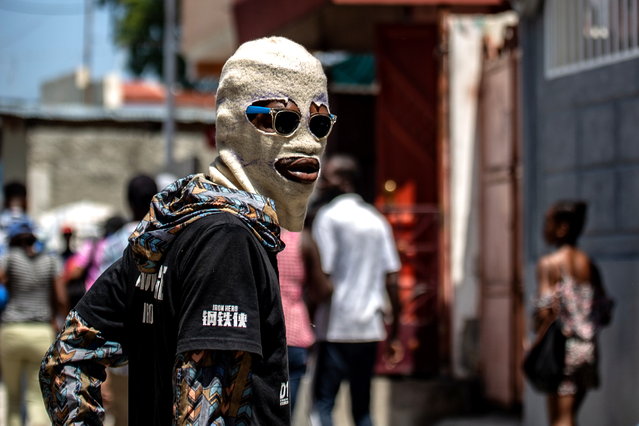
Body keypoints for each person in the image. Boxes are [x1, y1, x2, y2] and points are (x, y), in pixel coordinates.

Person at [40, 36, 334, 425]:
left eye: (319, 123)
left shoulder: (171, 226)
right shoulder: (228, 238)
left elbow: (66, 361)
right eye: (283, 120)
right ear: (234, 123)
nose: (308, 143)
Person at [311, 154, 403, 426]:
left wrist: (309, 322)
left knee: (323, 406)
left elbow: (322, 278)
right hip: (368, 327)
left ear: (343, 180)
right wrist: (395, 331)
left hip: (335, 326)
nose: (321, 184)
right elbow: (393, 279)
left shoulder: (328, 218)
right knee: (362, 408)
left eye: (326, 177)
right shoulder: (376, 220)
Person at [535, 200, 613, 426]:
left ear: (562, 227)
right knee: (571, 414)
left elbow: (545, 309)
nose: (545, 229)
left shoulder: (549, 264)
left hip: (560, 349)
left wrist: (534, 342)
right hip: (587, 347)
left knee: (559, 418)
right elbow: (605, 311)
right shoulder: (589, 264)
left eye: (548, 223)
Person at [0, 218, 65, 426]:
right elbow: (61, 297)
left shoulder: (9, 258)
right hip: (41, 331)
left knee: (12, 397)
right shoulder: (51, 261)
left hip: (11, 330)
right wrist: (59, 321)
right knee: (36, 397)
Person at [278, 228, 332, 413]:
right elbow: (322, 290)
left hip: (262, 333)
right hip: (294, 334)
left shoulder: (259, 232)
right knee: (287, 411)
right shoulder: (302, 240)